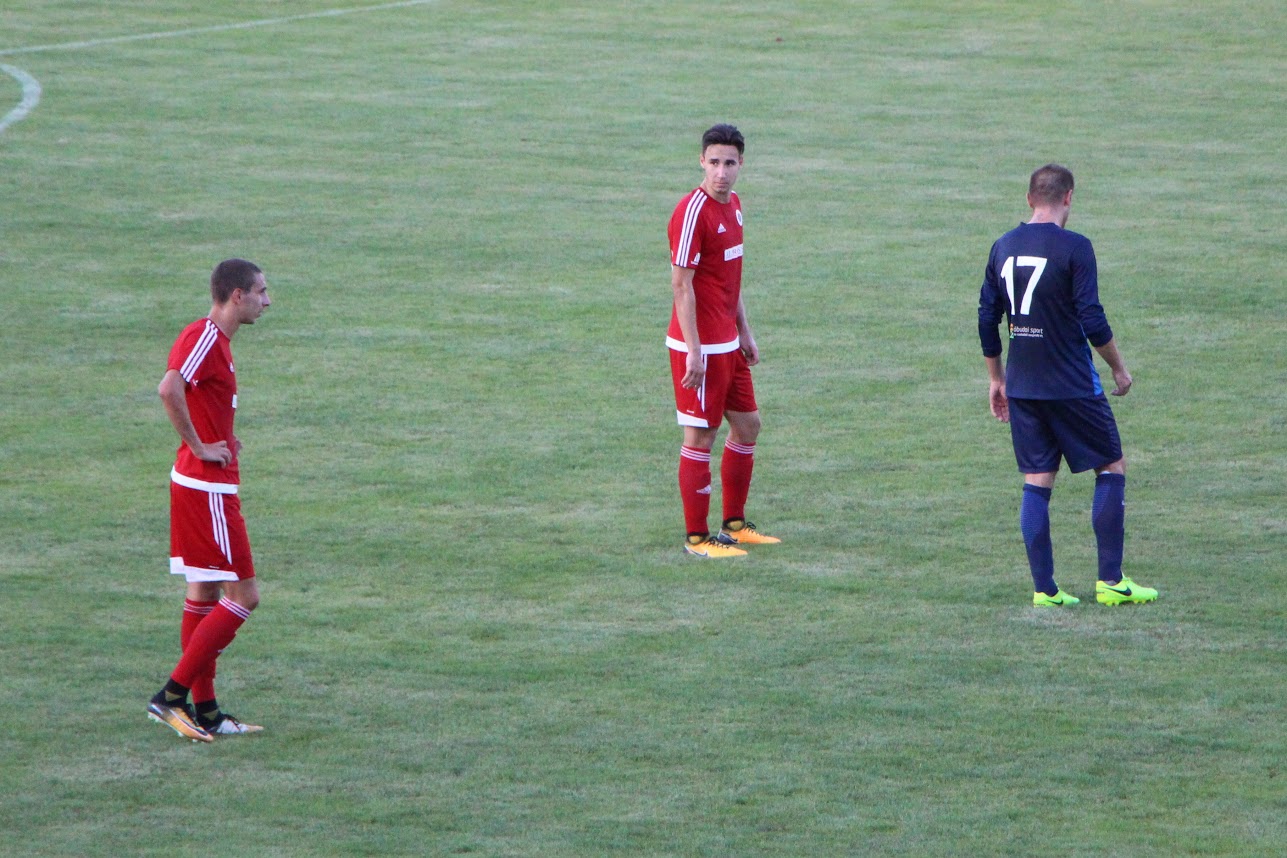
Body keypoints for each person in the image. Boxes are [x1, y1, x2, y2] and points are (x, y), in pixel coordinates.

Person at [978, 164, 1157, 607]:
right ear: (1069, 198)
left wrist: (997, 379)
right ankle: (1111, 582)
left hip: (1023, 386)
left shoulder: (1003, 246)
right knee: (1111, 467)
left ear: (1029, 199)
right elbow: (1091, 318)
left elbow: (986, 318)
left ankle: (1045, 590)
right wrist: (1119, 368)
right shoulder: (1076, 247)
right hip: (1072, 384)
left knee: (1038, 480)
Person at [146, 258, 271, 741]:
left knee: (203, 594)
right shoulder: (204, 336)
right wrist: (200, 446)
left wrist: (220, 435)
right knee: (244, 596)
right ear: (236, 296)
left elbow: (197, 397)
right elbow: (169, 388)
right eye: (261, 291)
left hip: (199, 484)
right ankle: (170, 696)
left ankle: (207, 711)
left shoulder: (217, 342)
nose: (267, 301)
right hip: (208, 490)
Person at [667, 123, 780, 558]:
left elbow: (731, 278)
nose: (721, 172)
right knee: (700, 436)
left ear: (741, 164)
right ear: (701, 161)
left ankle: (733, 525)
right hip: (700, 348)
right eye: (713, 162)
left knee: (748, 425)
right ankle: (697, 539)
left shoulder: (734, 206)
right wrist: (695, 351)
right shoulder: (691, 212)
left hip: (728, 343)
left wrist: (744, 331)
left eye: (729, 163)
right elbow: (682, 286)